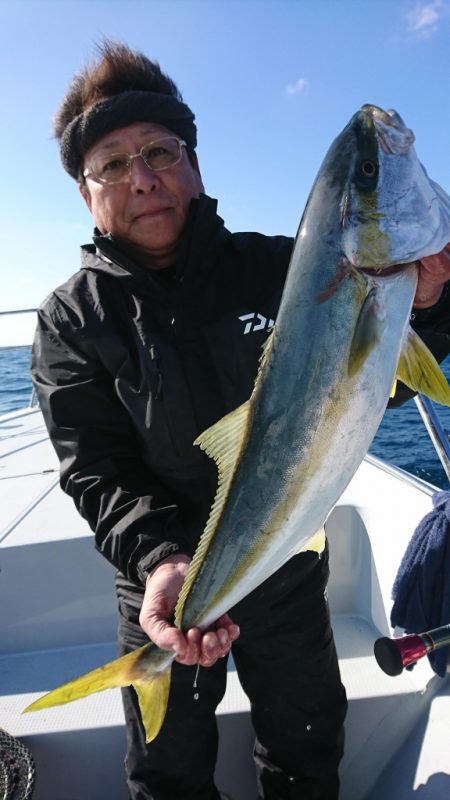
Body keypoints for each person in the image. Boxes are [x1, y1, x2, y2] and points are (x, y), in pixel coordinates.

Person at [31, 40, 450, 800]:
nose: (144, 178)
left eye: (160, 150)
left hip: (285, 568)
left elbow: (366, 390)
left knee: (307, 746)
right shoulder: (70, 322)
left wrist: (429, 305)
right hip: (162, 588)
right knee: (168, 773)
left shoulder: (281, 271)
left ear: (194, 162)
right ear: (85, 191)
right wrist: (162, 561)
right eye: (113, 163)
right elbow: (95, 469)